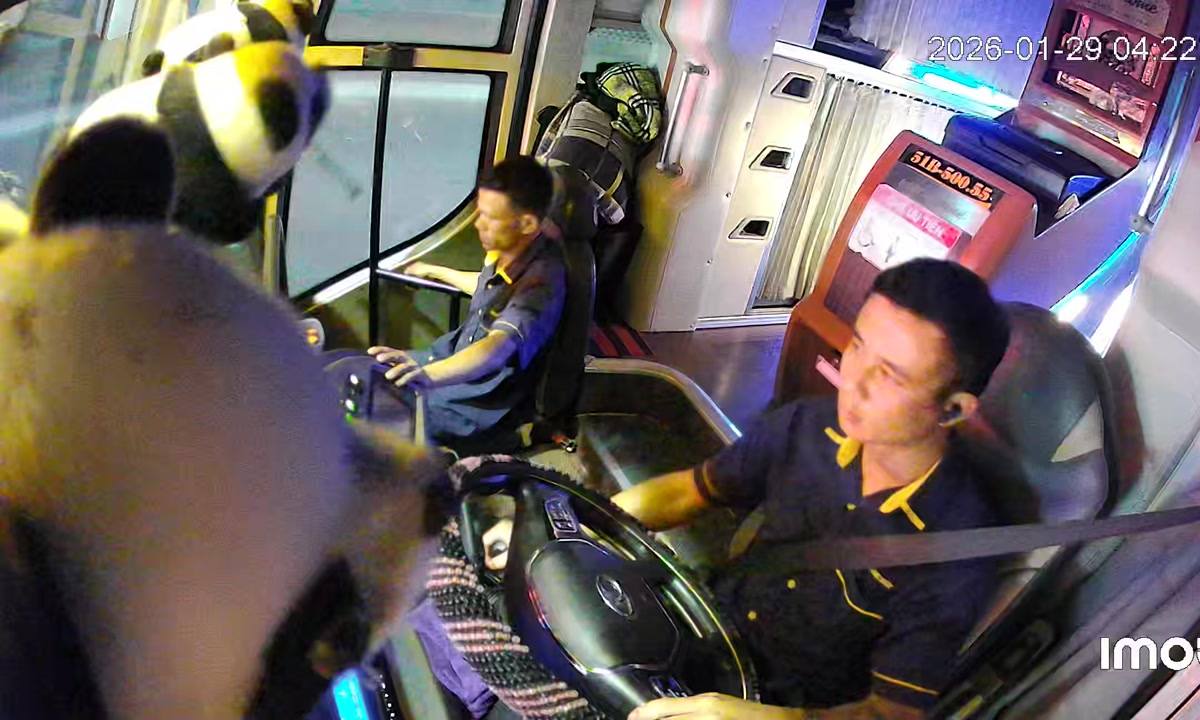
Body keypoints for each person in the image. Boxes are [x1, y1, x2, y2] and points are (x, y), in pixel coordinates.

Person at [483, 258, 1012, 720]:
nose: (855, 382)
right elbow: (692, 491)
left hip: (784, 704)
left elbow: (889, 714)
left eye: (892, 376)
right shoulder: (808, 426)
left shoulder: (952, 553)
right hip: (706, 622)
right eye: (858, 346)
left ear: (953, 409)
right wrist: (570, 532)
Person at [332, 155, 566, 453]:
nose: (478, 224)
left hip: (472, 403)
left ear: (527, 223)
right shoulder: (511, 248)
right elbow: (486, 286)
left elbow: (496, 348)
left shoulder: (541, 283)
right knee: (360, 370)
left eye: (490, 218)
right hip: (445, 360)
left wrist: (428, 376)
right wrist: (434, 271)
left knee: (365, 428)